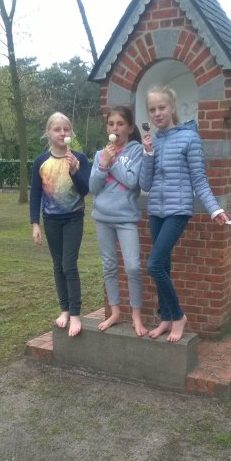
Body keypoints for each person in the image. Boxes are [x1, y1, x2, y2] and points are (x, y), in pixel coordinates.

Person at [140, 85, 229, 343]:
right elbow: (145, 184)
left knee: (154, 265)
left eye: (161, 107)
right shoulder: (153, 141)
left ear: (172, 107)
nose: (157, 113)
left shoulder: (190, 138)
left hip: (178, 210)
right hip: (156, 211)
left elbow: (199, 180)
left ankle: (178, 316)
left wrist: (215, 209)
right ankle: (166, 318)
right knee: (163, 265)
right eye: (152, 109)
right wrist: (147, 154)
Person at [30, 112, 90, 337]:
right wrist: (35, 223)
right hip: (51, 220)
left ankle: (75, 313)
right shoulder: (41, 161)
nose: (62, 133)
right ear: (48, 133)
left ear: (71, 132)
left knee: (69, 265)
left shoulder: (79, 158)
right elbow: (35, 194)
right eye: (57, 129)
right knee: (58, 266)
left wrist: (74, 171)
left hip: (74, 218)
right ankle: (64, 309)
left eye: (66, 129)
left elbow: (85, 190)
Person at [89, 105, 148, 337]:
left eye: (120, 124)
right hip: (102, 218)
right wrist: (103, 163)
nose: (115, 128)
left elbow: (133, 182)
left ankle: (136, 315)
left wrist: (112, 163)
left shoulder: (136, 151)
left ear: (130, 128)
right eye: (111, 124)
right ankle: (115, 312)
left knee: (133, 266)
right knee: (109, 266)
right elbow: (94, 188)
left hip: (126, 219)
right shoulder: (100, 155)